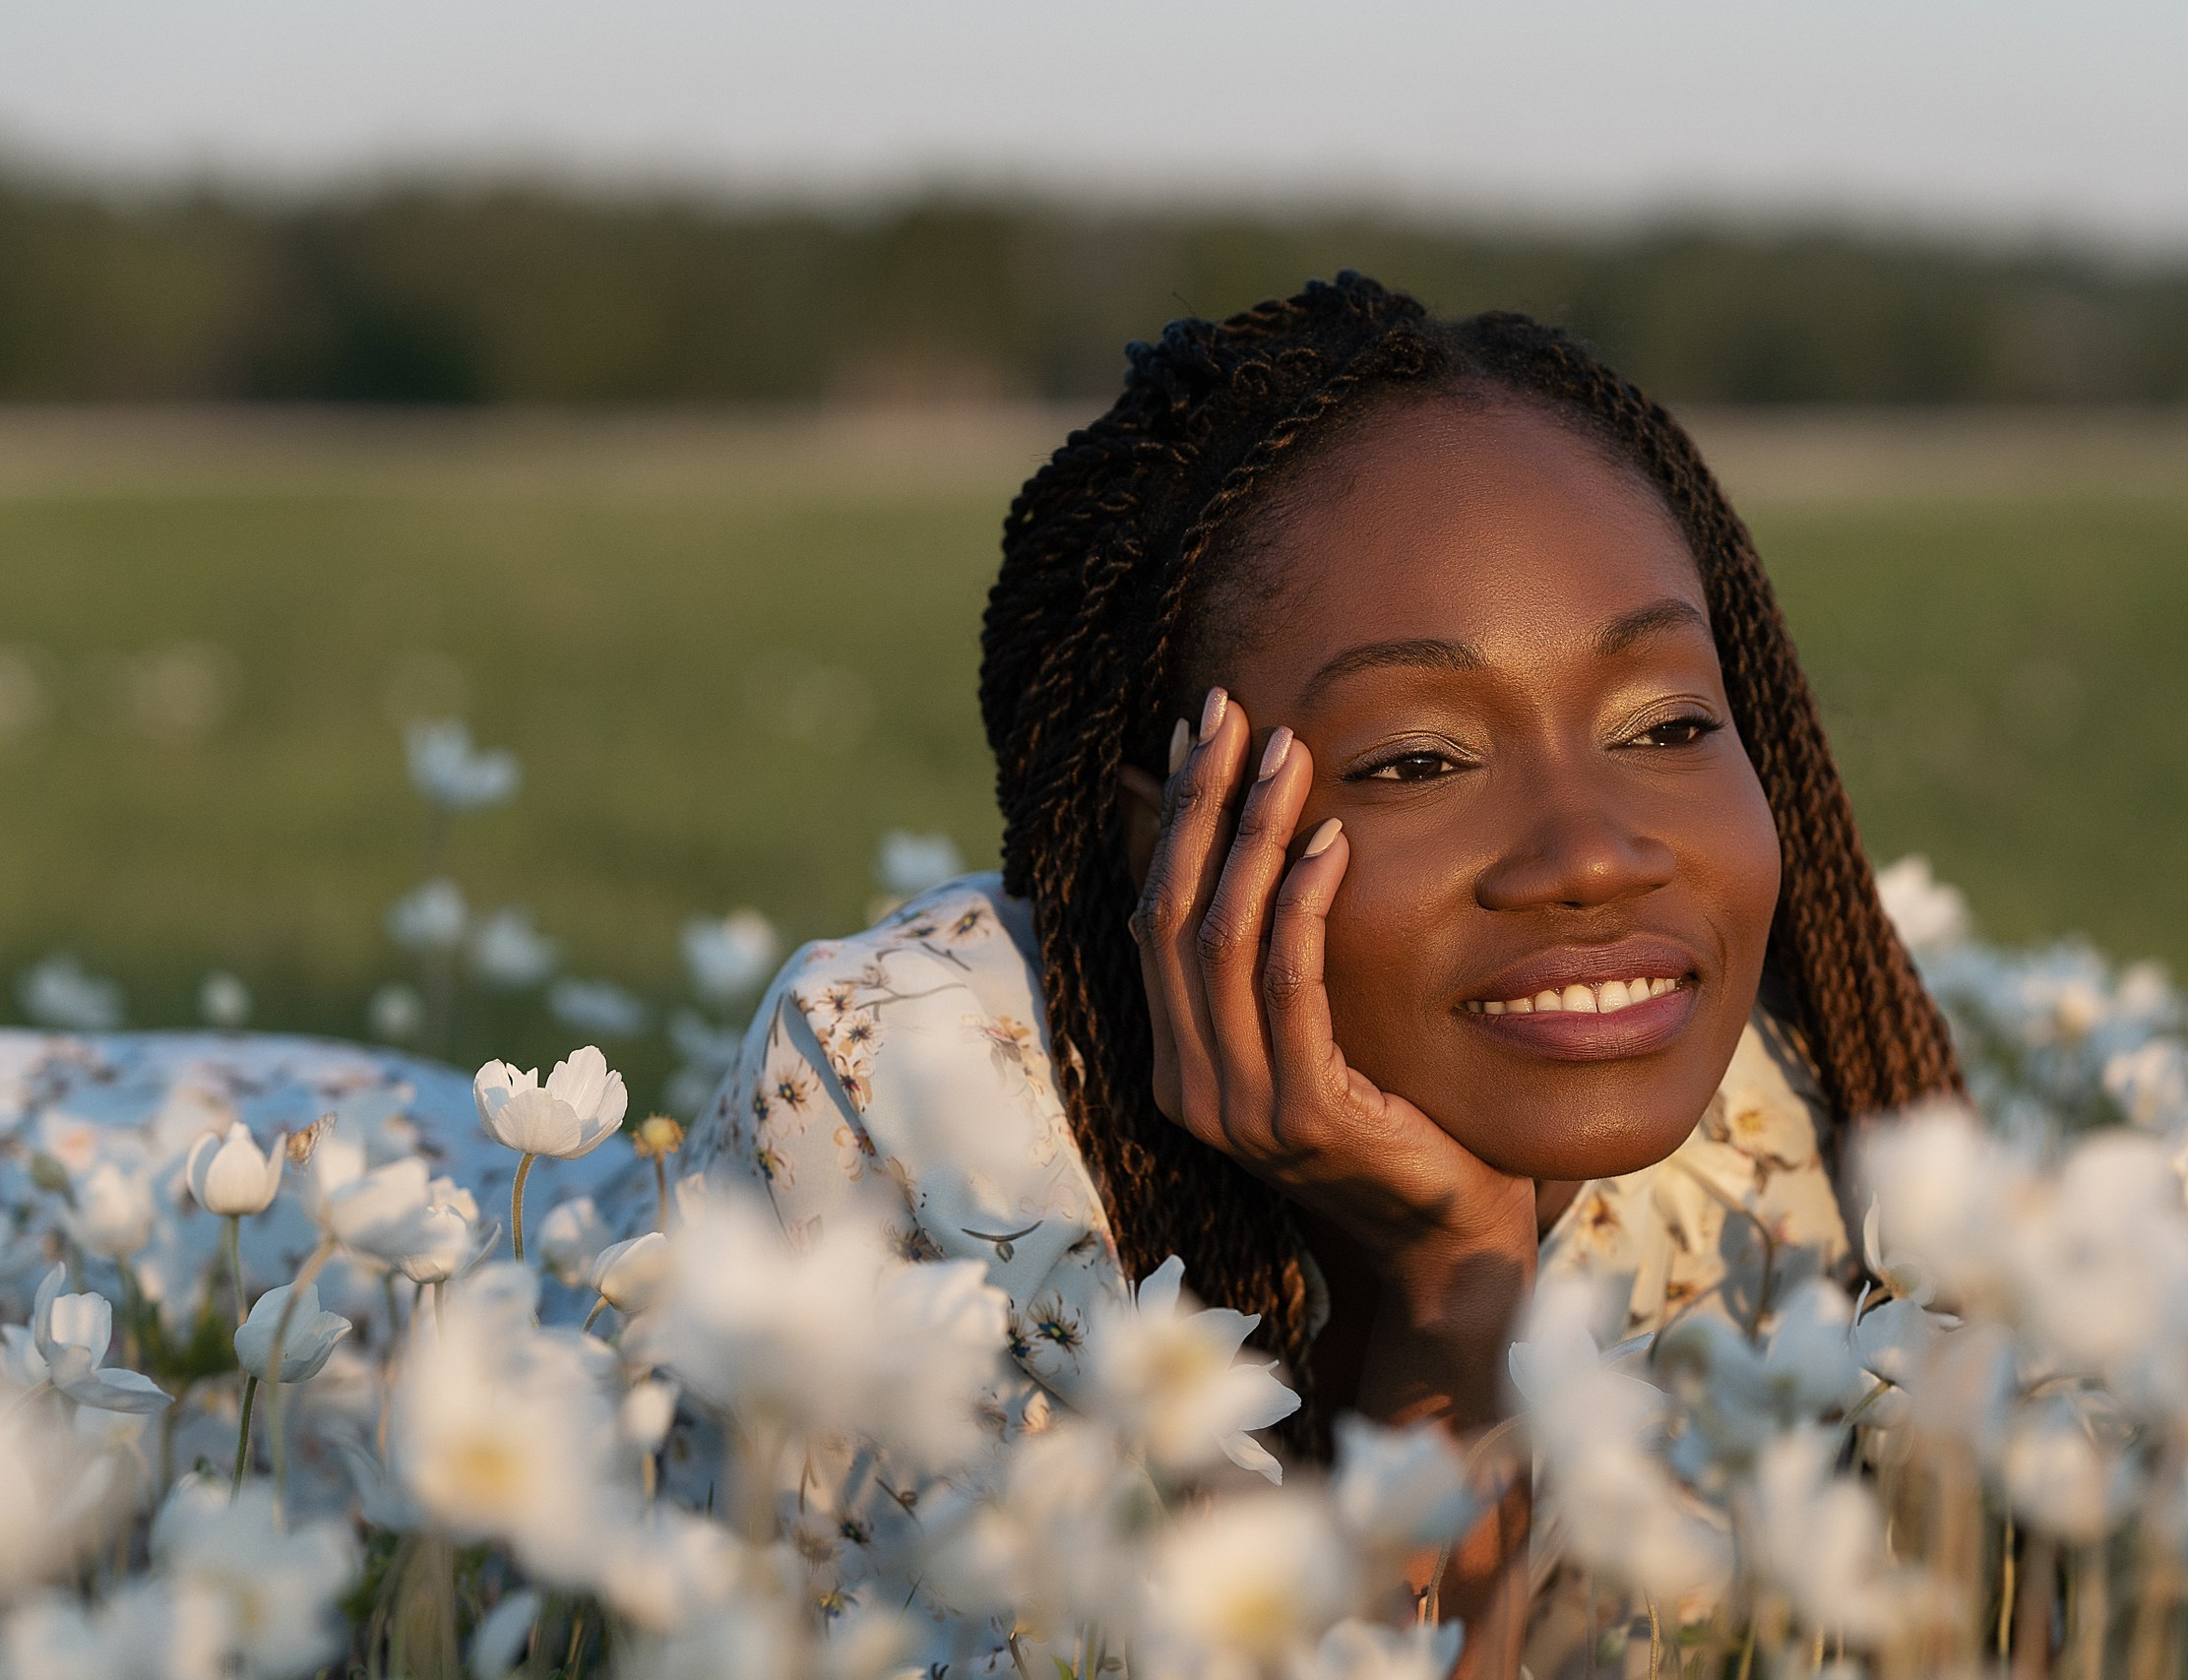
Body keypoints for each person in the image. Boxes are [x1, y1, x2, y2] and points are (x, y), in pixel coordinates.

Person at [684, 273, 1965, 1675]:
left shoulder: (1758, 1151)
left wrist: (1458, 1306)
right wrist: (1455, 1298)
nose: (1596, 856)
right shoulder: (912, 1098)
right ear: (1165, 831)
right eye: (1417, 761)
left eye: (1665, 725)